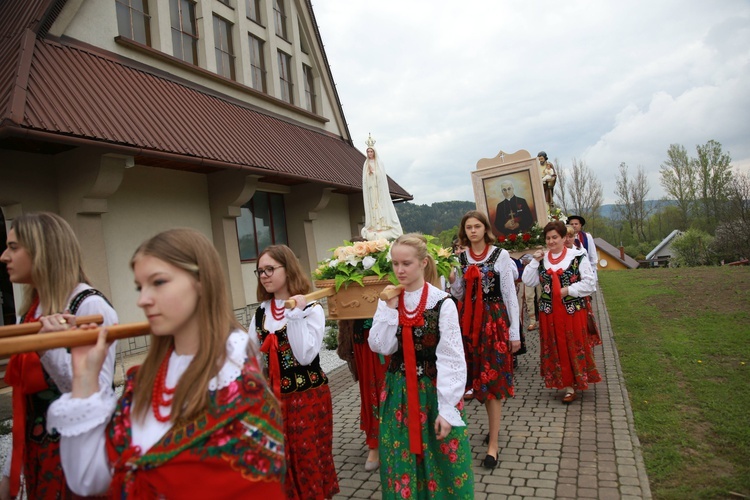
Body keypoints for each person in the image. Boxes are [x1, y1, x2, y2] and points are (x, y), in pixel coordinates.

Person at [45, 228, 286, 496]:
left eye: (158, 282)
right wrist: (84, 377)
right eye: (140, 287)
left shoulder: (241, 386)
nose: (142, 300)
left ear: (201, 282)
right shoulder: (144, 380)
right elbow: (89, 480)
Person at [0, 212, 118, 500]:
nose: (4, 256)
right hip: (38, 451)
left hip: (78, 454)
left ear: (43, 251)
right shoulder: (31, 310)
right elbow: (24, 401)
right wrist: (9, 470)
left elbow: (98, 395)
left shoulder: (89, 305)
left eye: (14, 247)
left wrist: (48, 349)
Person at [369, 233, 473, 498]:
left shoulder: (442, 303)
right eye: (395, 264)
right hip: (399, 395)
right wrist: (389, 311)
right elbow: (380, 346)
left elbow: (451, 357)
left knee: (442, 465)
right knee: (400, 462)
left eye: (406, 263)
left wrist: (448, 408)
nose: (399, 270)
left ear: (423, 262)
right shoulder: (390, 299)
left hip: (432, 394)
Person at [250, 244, 339, 500]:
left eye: (270, 269)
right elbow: (251, 360)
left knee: (307, 456)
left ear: (288, 270)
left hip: (307, 397)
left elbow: (304, 355)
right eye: (260, 271)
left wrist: (296, 315)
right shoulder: (260, 313)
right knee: (278, 458)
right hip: (273, 400)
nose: (264, 275)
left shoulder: (312, 309)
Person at [449, 210, 521, 469]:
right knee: (472, 380)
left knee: (493, 383)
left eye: (477, 226)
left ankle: (494, 443)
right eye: (468, 227)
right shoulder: (460, 258)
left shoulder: (500, 255)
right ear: (464, 231)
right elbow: (459, 294)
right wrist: (453, 280)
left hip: (494, 321)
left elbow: (509, 294)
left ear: (485, 228)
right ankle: (483, 432)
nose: (473, 231)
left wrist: (514, 333)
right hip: (469, 324)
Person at [522, 220, 601, 404]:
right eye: (548, 238)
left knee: (573, 345)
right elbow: (528, 280)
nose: (551, 241)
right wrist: (535, 261)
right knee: (555, 346)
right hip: (549, 313)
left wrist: (568, 290)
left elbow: (589, 283)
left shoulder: (577, 256)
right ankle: (564, 384)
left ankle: (574, 383)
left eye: (555, 237)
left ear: (564, 238)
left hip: (572, 312)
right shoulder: (543, 259)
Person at [336, 318, 388, 471]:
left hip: (390, 330)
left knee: (393, 387)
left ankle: (401, 437)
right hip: (362, 337)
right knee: (369, 389)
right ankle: (374, 444)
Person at [361, 135, 403, 241]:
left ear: (374, 152)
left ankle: (381, 225)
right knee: (372, 207)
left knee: (379, 206)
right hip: (371, 190)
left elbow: (381, 176)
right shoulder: (366, 164)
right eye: (368, 152)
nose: (369, 154)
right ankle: (373, 225)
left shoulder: (379, 163)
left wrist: (374, 173)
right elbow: (364, 179)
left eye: (371, 152)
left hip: (378, 190)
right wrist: (369, 174)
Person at [567, 215, 599, 281]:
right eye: (572, 224)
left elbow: (592, 253)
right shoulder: (565, 238)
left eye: (576, 224)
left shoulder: (587, 237)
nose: (574, 226)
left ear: (580, 225)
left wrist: (592, 269)